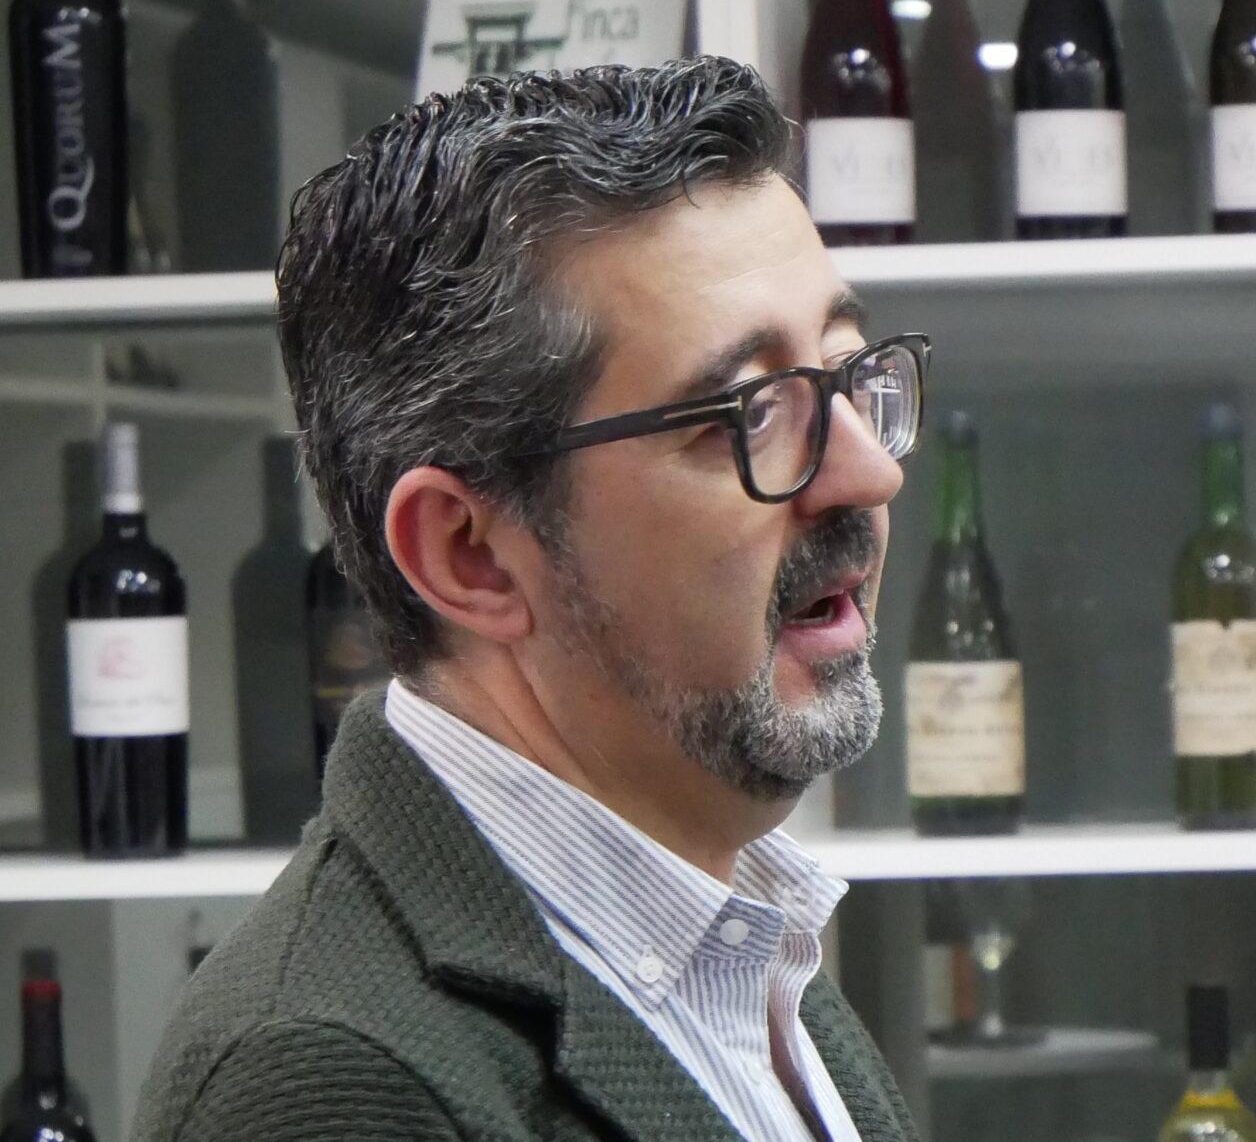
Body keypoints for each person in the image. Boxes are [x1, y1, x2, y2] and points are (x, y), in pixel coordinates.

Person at [131, 57, 929, 1142]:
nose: (869, 474)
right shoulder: (325, 1081)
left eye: (847, 374)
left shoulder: (729, 931)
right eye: (749, 413)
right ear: (469, 556)